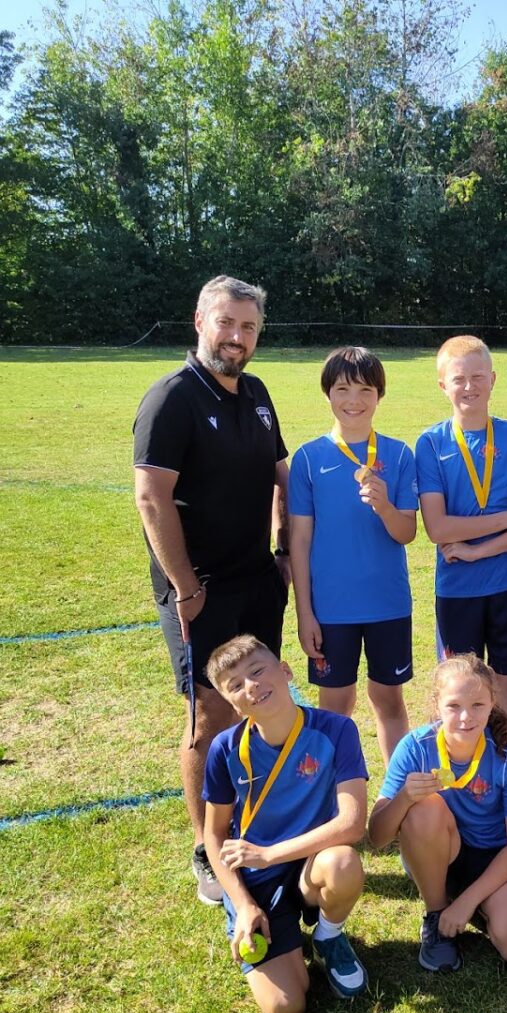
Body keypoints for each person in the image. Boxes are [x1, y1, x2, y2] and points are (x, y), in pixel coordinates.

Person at [133, 275, 290, 906]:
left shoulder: (255, 392)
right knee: (209, 718)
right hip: (200, 591)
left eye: (249, 327)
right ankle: (206, 846)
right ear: (200, 320)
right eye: (227, 323)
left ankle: (250, 820)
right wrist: (184, 586)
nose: (237, 337)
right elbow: (151, 495)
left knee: (261, 701)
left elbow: (282, 476)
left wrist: (281, 552)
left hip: (256, 579)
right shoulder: (171, 398)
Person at [202, 636, 369, 1013]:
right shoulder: (225, 749)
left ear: (285, 670)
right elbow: (214, 836)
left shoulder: (337, 730)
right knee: (286, 1007)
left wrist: (269, 854)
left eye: (258, 671)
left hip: (310, 864)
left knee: (343, 864)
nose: (252, 686)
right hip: (258, 880)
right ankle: (267, 929)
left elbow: (352, 823)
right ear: (231, 703)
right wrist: (244, 905)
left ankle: (328, 935)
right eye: (236, 685)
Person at [414, 336, 507, 741]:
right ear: (443, 385)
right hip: (457, 590)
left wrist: (478, 552)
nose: (469, 386)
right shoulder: (431, 443)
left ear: (493, 379)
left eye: (478, 377)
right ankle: (461, 776)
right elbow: (438, 528)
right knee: (457, 689)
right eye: (459, 379)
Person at [368, 655, 507, 972]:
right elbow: (377, 837)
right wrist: (405, 798)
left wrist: (466, 903)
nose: (465, 717)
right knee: (424, 808)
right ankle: (437, 914)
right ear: (437, 705)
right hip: (441, 852)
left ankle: (468, 902)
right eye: (453, 706)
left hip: (495, 857)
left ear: (492, 702)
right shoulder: (415, 747)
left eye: (477, 705)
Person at [290, 347, 418, 764]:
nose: (354, 400)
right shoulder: (308, 459)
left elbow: (407, 532)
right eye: (343, 389)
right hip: (331, 610)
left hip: (387, 604)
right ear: (327, 394)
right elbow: (301, 541)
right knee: (335, 705)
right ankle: (332, 795)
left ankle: (399, 796)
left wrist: (384, 507)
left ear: (379, 395)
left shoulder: (399, 455)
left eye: (365, 390)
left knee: (389, 700)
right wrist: (305, 613)